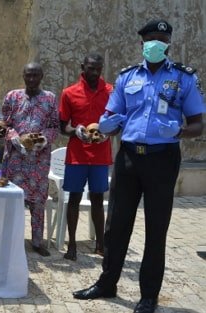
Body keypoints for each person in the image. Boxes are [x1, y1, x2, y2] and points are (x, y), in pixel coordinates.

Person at [72, 20, 205, 313]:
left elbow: (198, 123)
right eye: (151, 39)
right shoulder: (126, 77)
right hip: (129, 157)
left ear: (168, 43)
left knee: (156, 229)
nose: (156, 43)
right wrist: (107, 124)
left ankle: (148, 296)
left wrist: (181, 131)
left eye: (161, 39)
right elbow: (112, 115)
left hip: (163, 158)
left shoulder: (183, 78)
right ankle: (107, 283)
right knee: (116, 225)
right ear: (141, 43)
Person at [58, 52, 113, 261]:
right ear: (83, 67)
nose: (94, 72)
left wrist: (108, 132)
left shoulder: (110, 91)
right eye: (90, 68)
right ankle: (71, 244)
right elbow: (63, 125)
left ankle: (100, 244)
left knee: (98, 199)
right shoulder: (69, 93)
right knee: (74, 197)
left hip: (100, 154)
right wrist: (76, 131)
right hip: (77, 155)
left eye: (98, 68)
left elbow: (117, 121)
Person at [2, 62, 59, 256]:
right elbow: (5, 125)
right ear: (23, 76)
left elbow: (54, 126)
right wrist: (15, 139)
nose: (32, 79)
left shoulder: (50, 99)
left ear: (41, 76)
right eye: (28, 75)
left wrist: (42, 139)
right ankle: (12, 240)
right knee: (14, 200)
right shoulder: (12, 97)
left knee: (38, 202)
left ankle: (36, 242)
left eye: (36, 75)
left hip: (39, 160)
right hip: (16, 159)